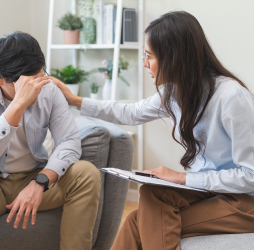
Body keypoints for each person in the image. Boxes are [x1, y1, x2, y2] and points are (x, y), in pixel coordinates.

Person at [51, 11, 254, 250]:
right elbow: (129, 113)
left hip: (243, 201)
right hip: (209, 190)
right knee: (151, 193)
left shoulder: (231, 97)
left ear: (173, 57)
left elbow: (251, 176)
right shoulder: (175, 93)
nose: (145, 62)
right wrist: (75, 100)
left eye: (149, 55)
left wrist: (183, 178)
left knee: (138, 222)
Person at [0, 32, 101, 250]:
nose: (36, 89)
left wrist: (40, 182)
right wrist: (16, 107)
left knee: (86, 173)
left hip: (32, 177)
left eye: (39, 78)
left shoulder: (48, 88)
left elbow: (69, 141)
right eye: (25, 85)